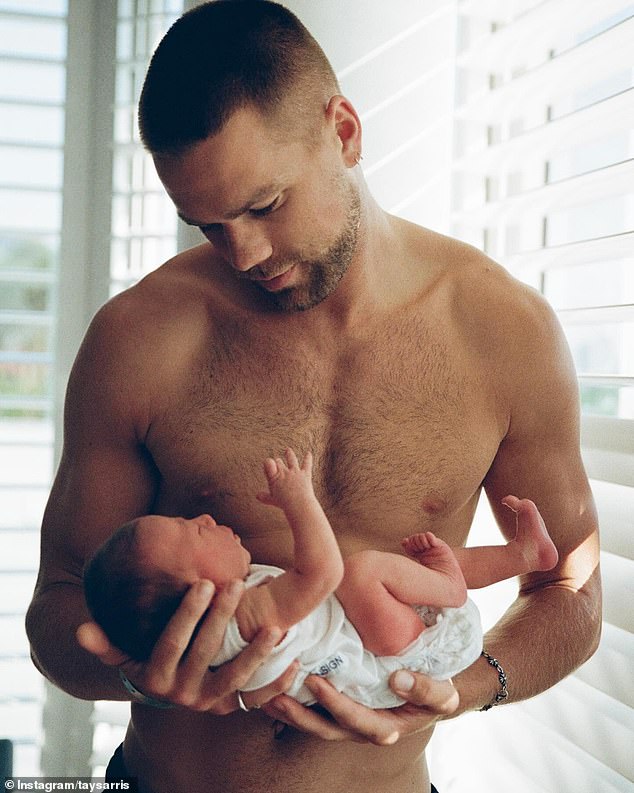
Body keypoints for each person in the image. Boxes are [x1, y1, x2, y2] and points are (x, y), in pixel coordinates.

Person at [25, 2, 601, 792]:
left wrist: (460, 690)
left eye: (264, 206)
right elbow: (58, 614)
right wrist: (143, 673)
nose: (244, 253)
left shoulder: (504, 333)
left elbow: (570, 592)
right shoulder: (139, 339)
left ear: (346, 131)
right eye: (207, 224)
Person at [83, 449, 558, 709]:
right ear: (195, 591)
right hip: (397, 661)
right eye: (193, 531)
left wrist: (473, 690)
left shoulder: (236, 613)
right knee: (363, 570)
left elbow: (571, 592)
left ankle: (523, 554)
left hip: (394, 662)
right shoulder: (243, 615)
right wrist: (298, 501)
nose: (203, 518)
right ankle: (455, 586)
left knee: (404, 569)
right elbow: (324, 572)